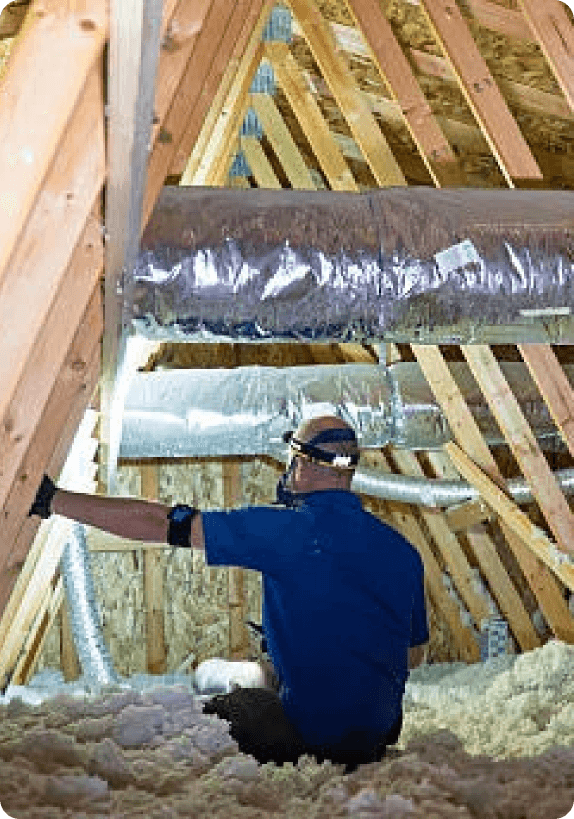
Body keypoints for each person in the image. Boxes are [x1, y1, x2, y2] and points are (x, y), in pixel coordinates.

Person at [29, 414, 429, 773]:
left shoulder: (285, 531)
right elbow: (412, 655)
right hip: (377, 737)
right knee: (280, 675)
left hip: (307, 735)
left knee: (220, 711)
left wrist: (52, 499)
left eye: (292, 457)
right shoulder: (404, 552)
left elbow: (159, 522)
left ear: (304, 464)